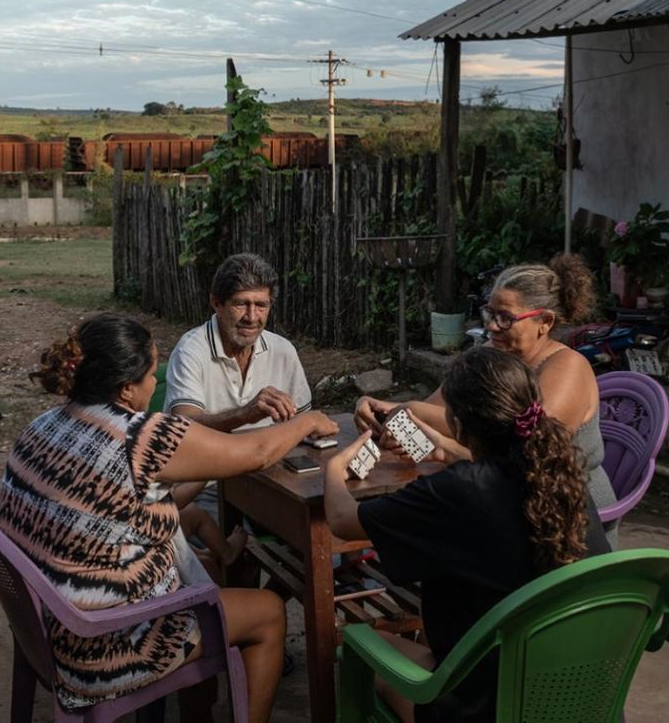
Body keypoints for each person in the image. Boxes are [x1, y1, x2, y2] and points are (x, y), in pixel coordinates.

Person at [0, 313, 338, 722]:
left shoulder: (45, 425)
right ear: (126, 388)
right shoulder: (141, 436)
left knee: (207, 568)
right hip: (104, 644)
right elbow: (258, 453)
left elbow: (156, 495)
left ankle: (199, 713)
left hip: (50, 623)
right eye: (152, 375)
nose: (155, 384)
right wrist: (307, 421)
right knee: (266, 611)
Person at [326, 346, 610, 723]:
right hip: (577, 695)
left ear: (457, 421)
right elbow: (499, 475)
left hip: (489, 708)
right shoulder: (562, 477)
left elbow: (343, 519)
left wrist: (335, 467)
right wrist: (445, 449)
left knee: (361, 646)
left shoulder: (457, 492)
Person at [355, 254, 620, 547]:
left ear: (544, 322)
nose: (492, 327)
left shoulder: (567, 367)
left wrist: (434, 436)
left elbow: (529, 455)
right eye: (490, 314)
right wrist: (376, 406)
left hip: (569, 513)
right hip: (507, 497)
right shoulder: (492, 357)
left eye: (506, 318)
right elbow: (436, 407)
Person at [164, 252, 314, 523]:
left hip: (272, 480)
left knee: (319, 528)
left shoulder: (282, 351)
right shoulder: (191, 351)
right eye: (241, 304)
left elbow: (303, 428)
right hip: (205, 486)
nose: (252, 317)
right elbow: (182, 428)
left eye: (261, 305)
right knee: (226, 535)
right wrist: (245, 414)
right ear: (216, 303)